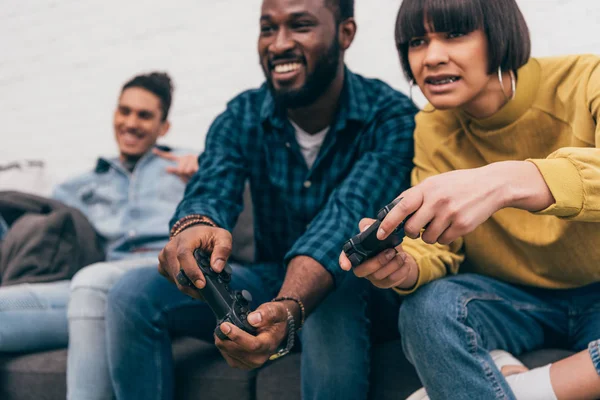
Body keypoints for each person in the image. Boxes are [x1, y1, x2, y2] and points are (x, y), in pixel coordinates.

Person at [103, 0, 417, 399]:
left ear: (345, 33)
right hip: (270, 278)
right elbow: (213, 183)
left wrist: (289, 307)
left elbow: (343, 220)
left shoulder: (391, 117)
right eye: (268, 28)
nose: (279, 44)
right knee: (131, 296)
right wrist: (194, 225)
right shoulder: (242, 115)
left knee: (337, 286)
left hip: (361, 291)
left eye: (300, 25)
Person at [339, 0, 600, 399]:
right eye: (417, 41)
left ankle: (524, 389)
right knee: (427, 309)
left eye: (455, 34)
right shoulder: (432, 126)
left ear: (500, 33)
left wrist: (509, 180)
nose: (431, 57)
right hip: (510, 300)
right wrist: (407, 267)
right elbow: (441, 248)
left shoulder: (585, 80)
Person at [0, 71, 199, 400]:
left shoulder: (187, 167)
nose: (131, 123)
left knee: (93, 282)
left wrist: (204, 171)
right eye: (125, 111)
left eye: (144, 115)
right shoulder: (81, 184)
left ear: (164, 128)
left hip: (161, 273)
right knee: (87, 284)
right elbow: (39, 224)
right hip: (86, 287)